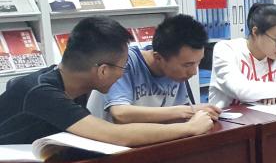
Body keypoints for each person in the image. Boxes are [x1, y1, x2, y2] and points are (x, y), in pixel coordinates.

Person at [0, 17, 213, 146]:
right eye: (123, 67)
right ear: (103, 70)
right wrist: (189, 128)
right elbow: (116, 135)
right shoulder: (42, 92)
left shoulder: (72, 84)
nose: (123, 75)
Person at [90, 14, 221, 123]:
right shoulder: (123, 62)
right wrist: (188, 111)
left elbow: (178, 117)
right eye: (187, 65)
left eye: (198, 63)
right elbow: (120, 114)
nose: (194, 72)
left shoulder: (176, 73)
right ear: (158, 58)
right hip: (105, 144)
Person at [208, 3, 276, 108]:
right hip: (228, 121)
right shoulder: (226, 49)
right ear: (255, 32)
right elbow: (240, 89)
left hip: (266, 119)